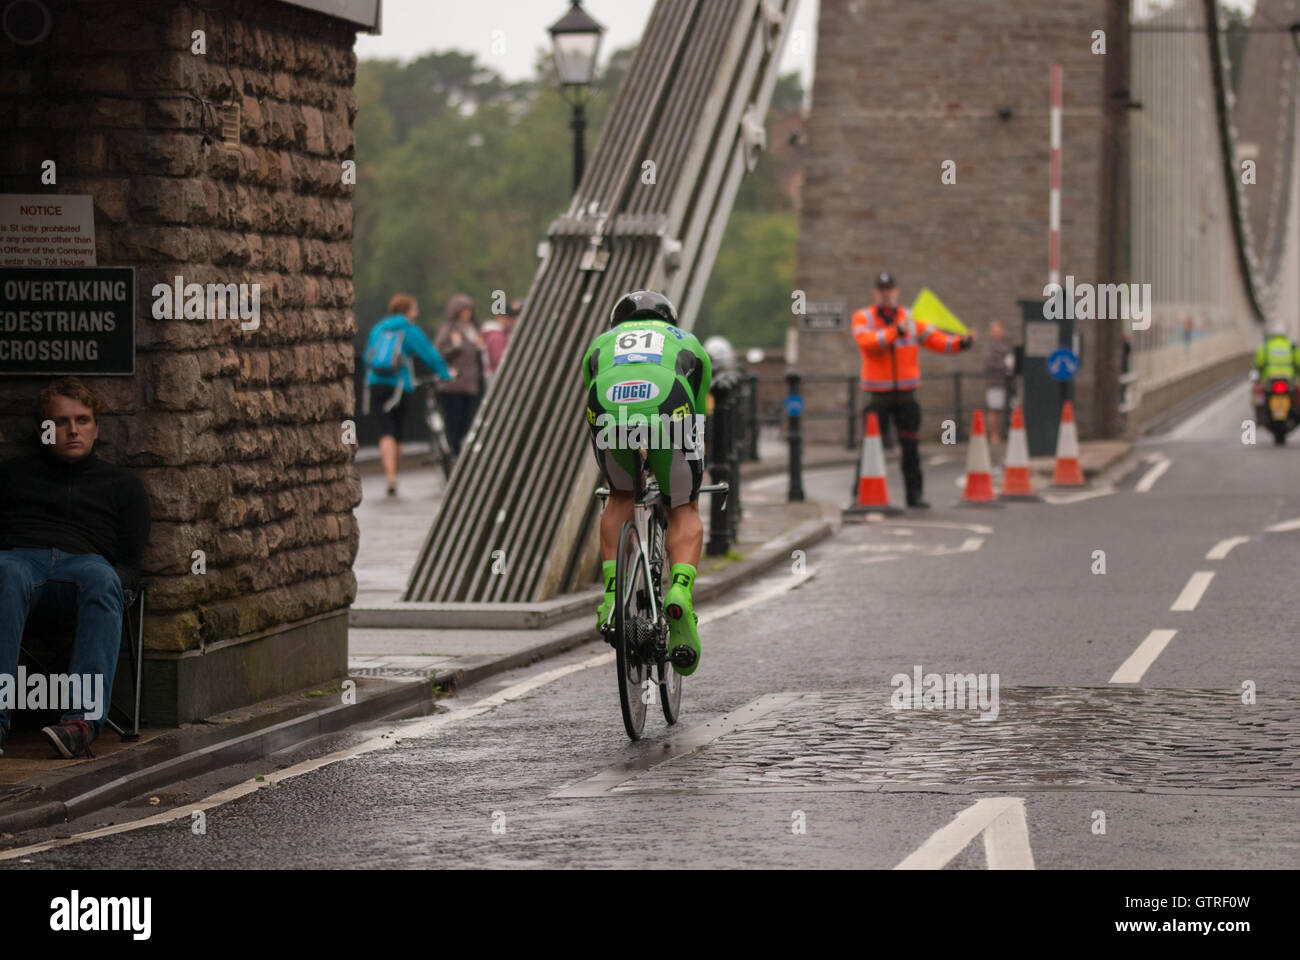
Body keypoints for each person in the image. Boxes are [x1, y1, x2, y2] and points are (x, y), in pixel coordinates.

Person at [0, 378, 151, 759]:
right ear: (42, 429)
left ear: (96, 428)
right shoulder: (11, 476)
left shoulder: (122, 485)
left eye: (83, 420)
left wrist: (117, 583)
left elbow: (131, 564)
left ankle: (80, 724)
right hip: (21, 561)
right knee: (5, 571)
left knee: (104, 577)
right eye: (62, 421)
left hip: (85, 568)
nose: (72, 430)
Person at [582, 290, 712, 675]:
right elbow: (699, 413)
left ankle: (610, 597)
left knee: (620, 494)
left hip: (607, 407)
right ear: (668, 319)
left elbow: (592, 389)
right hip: (669, 402)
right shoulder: (687, 342)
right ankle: (680, 591)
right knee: (683, 505)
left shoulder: (599, 344)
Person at [851, 272, 975, 508]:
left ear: (896, 291)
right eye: (881, 289)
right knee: (870, 448)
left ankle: (915, 496)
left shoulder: (911, 318)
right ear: (874, 292)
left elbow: (936, 339)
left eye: (889, 288)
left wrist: (962, 343)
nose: (885, 293)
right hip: (877, 396)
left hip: (906, 395)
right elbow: (867, 342)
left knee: (911, 448)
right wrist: (894, 332)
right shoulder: (863, 317)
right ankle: (859, 496)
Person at [364, 293, 453, 497]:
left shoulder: (378, 329)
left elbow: (369, 358)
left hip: (376, 384)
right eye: (415, 308)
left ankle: (390, 475)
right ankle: (395, 472)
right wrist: (446, 373)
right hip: (399, 386)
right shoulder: (409, 330)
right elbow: (429, 355)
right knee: (397, 432)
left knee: (385, 431)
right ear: (408, 310)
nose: (417, 312)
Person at [435, 294, 486, 457]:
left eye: (469, 309)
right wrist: (455, 347)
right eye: (464, 310)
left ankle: (464, 450)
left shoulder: (473, 329)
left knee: (468, 420)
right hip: (453, 385)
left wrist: (480, 348)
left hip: (471, 384)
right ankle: (454, 450)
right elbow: (438, 354)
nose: (467, 313)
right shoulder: (448, 330)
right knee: (454, 420)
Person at [480, 299, 521, 389]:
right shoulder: (496, 336)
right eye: (509, 317)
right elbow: (498, 361)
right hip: (497, 379)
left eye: (513, 317)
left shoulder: (503, 334)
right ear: (499, 317)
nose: (513, 320)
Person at [984, 320, 1013, 444]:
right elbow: (990, 363)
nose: (998, 333)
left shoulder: (1006, 345)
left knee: (1001, 410)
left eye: (999, 330)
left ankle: (1000, 434)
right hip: (994, 382)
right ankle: (993, 435)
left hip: (1006, 382)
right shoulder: (990, 347)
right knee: (994, 409)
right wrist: (1005, 366)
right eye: (995, 331)